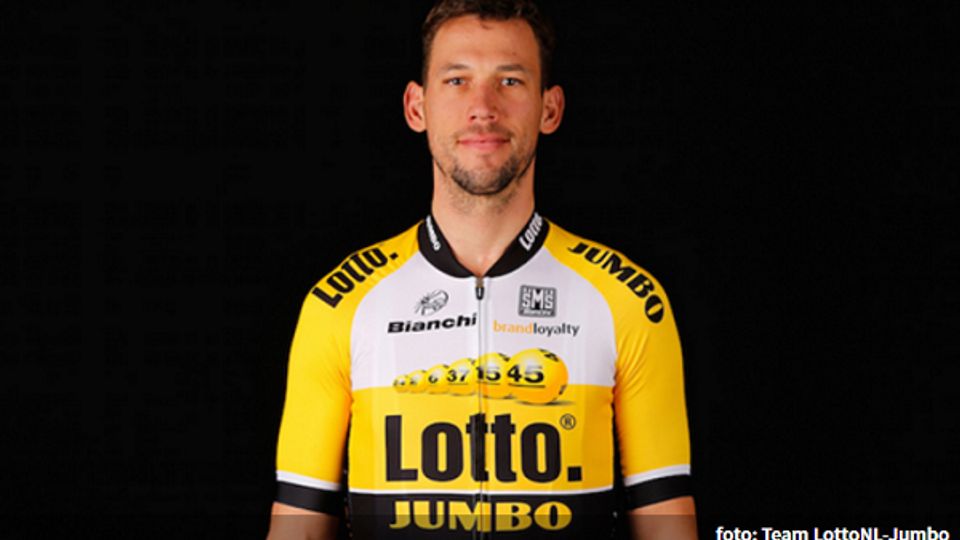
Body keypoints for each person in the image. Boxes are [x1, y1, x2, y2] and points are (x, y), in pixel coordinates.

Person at [267, 1, 696, 538]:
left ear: (550, 108)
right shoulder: (340, 303)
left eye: (510, 81)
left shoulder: (628, 299)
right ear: (416, 107)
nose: (483, 108)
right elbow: (299, 528)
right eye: (457, 81)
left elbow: (667, 525)